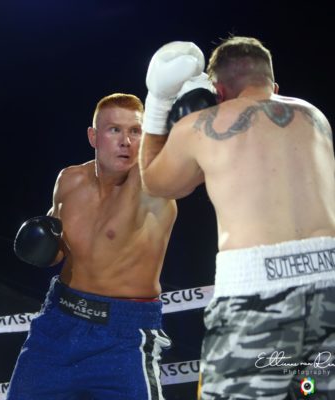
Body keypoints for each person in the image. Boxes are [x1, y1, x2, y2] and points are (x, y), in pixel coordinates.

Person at [139, 36, 335, 399]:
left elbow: (155, 183)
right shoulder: (315, 117)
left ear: (219, 91)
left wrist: (158, 102)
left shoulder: (202, 125)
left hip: (257, 295)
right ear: (273, 84)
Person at [7, 93, 177, 400]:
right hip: (58, 324)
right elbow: (57, 252)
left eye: (135, 131)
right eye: (114, 130)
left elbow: (169, 152)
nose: (126, 141)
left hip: (123, 338)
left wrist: (168, 95)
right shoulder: (69, 180)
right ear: (93, 136)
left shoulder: (151, 188)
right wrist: (40, 247)